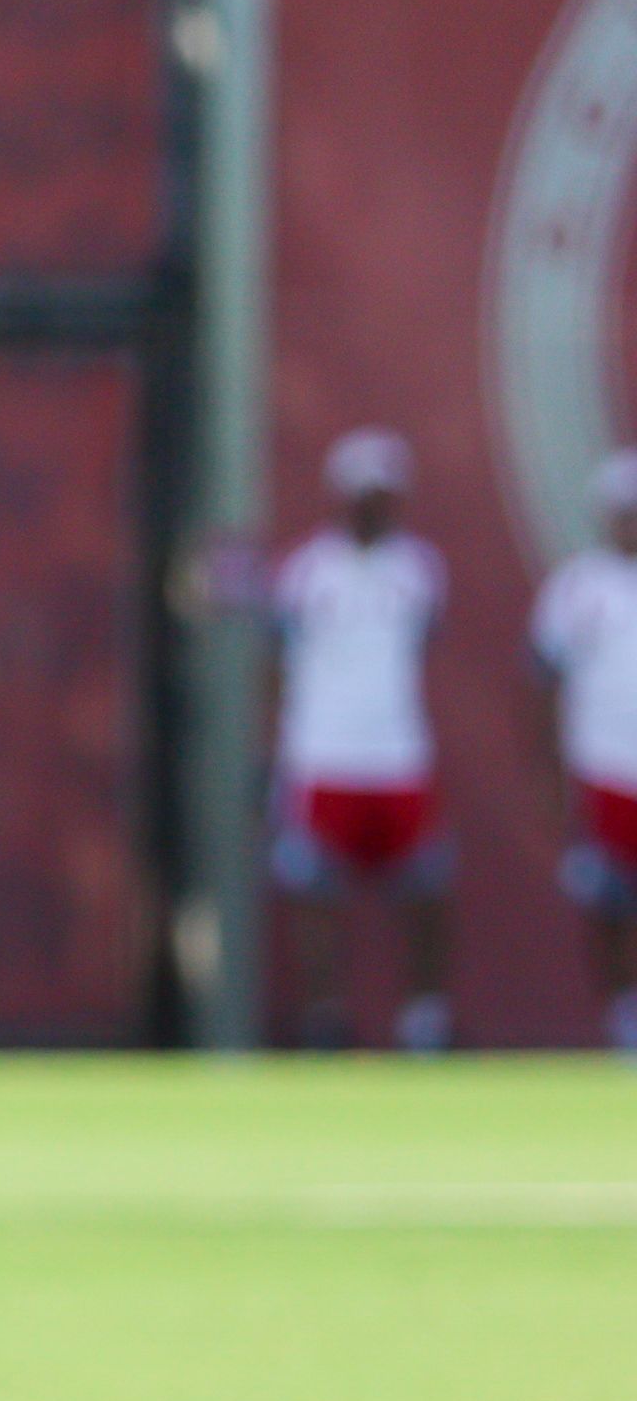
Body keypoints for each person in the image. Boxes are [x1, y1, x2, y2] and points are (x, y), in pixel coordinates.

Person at [261, 427, 454, 1054]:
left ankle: (424, 1021)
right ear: (340, 496)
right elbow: (275, 663)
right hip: (322, 756)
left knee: (426, 888)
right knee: (315, 893)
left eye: (384, 493)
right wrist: (278, 743)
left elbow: (423, 643)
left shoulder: (421, 571)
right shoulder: (305, 572)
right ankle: (324, 1019)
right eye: (364, 493)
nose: (374, 505)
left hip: (398, 757)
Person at [533, 447, 637, 1057]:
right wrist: (552, 776)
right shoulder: (578, 586)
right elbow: (543, 679)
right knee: (609, 900)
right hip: (605, 766)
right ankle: (623, 1021)